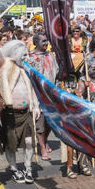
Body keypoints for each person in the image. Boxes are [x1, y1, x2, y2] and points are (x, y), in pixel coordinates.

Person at [0, 39, 40, 184]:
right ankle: (14, 169)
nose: (26, 58)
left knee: (29, 142)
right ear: (15, 53)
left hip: (26, 113)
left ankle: (28, 167)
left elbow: (31, 89)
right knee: (11, 145)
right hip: (9, 114)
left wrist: (36, 106)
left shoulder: (22, 69)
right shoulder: (3, 65)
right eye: (24, 55)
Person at [28, 32, 59, 161]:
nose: (46, 43)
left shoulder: (51, 55)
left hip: (51, 94)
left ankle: (45, 141)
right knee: (40, 122)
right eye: (43, 41)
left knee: (51, 122)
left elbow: (56, 71)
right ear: (36, 42)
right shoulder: (30, 58)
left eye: (46, 41)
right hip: (38, 95)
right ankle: (42, 148)